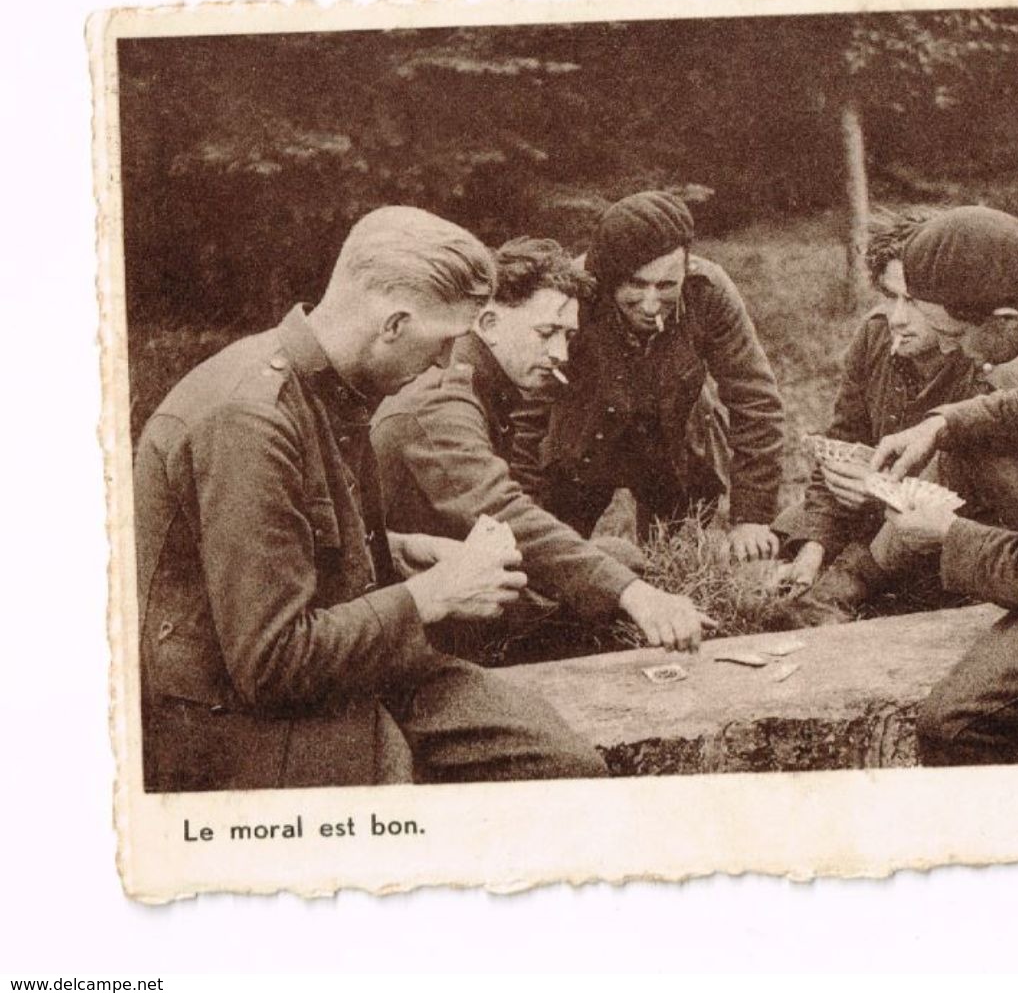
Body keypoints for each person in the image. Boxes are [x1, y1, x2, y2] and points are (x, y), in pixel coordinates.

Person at [135, 206, 609, 792]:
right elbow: (270, 662)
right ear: (392, 325)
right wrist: (434, 594)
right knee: (401, 803)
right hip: (239, 713)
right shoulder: (249, 420)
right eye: (442, 343)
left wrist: (397, 549)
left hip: (343, 666)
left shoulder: (337, 389)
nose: (444, 362)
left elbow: (290, 545)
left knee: (565, 764)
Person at [372, 236, 714, 663]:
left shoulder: (480, 383)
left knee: (617, 559)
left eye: (567, 336)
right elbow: (502, 510)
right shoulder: (441, 398)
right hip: (408, 606)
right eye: (546, 333)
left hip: (449, 575)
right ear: (490, 323)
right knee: (617, 576)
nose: (559, 354)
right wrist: (633, 594)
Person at [864, 206, 1018, 765]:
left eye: (954, 332)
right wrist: (942, 424)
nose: (949, 346)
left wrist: (948, 536)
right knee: (963, 449)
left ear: (1004, 319)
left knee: (950, 725)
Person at [514, 191, 787, 563]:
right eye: (636, 285)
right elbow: (528, 410)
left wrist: (752, 516)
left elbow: (755, 400)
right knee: (552, 561)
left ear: (686, 268)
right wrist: (525, 509)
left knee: (673, 562)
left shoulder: (709, 291)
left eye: (666, 286)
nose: (650, 303)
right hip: (582, 444)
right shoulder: (572, 295)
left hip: (675, 447)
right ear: (607, 277)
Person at [770, 210, 1012, 627]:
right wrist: (813, 550)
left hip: (952, 529)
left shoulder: (994, 366)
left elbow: (980, 495)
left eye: (914, 302)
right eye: (890, 295)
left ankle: (848, 582)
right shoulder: (877, 334)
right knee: (785, 538)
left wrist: (881, 490)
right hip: (870, 511)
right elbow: (844, 439)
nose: (898, 318)